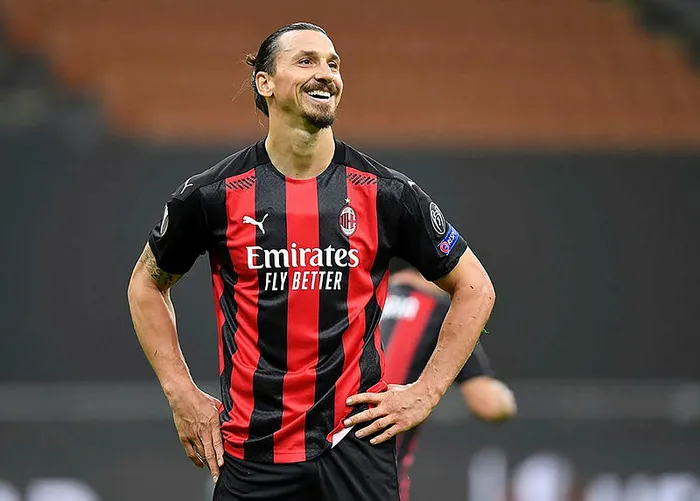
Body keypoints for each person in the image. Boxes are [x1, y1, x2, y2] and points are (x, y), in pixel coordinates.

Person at [127, 22, 495, 501]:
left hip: (356, 450)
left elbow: (475, 288)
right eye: (306, 61)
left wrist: (425, 393)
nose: (326, 73)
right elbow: (147, 284)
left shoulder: (387, 193)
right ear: (264, 82)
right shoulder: (211, 195)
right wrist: (181, 393)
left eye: (333, 64)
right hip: (252, 452)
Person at [381, 264, 516, 500]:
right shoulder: (442, 314)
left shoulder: (361, 303)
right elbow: (489, 406)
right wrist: (508, 401)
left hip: (323, 464)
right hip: (378, 479)